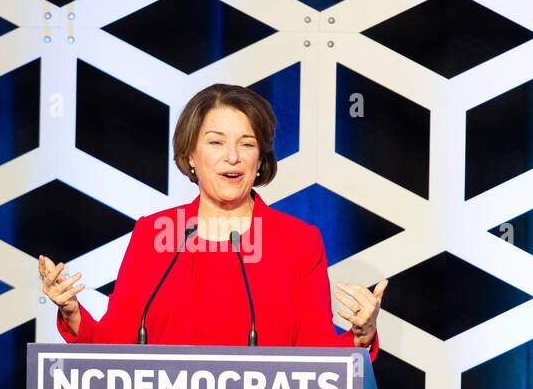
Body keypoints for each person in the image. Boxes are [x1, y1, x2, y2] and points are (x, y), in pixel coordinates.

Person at [38, 83, 386, 359]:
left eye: (246, 144)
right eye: (216, 142)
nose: (232, 156)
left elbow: (317, 355)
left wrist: (361, 336)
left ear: (260, 159)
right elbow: (118, 343)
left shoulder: (296, 241)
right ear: (191, 154)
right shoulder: (157, 234)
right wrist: (72, 312)